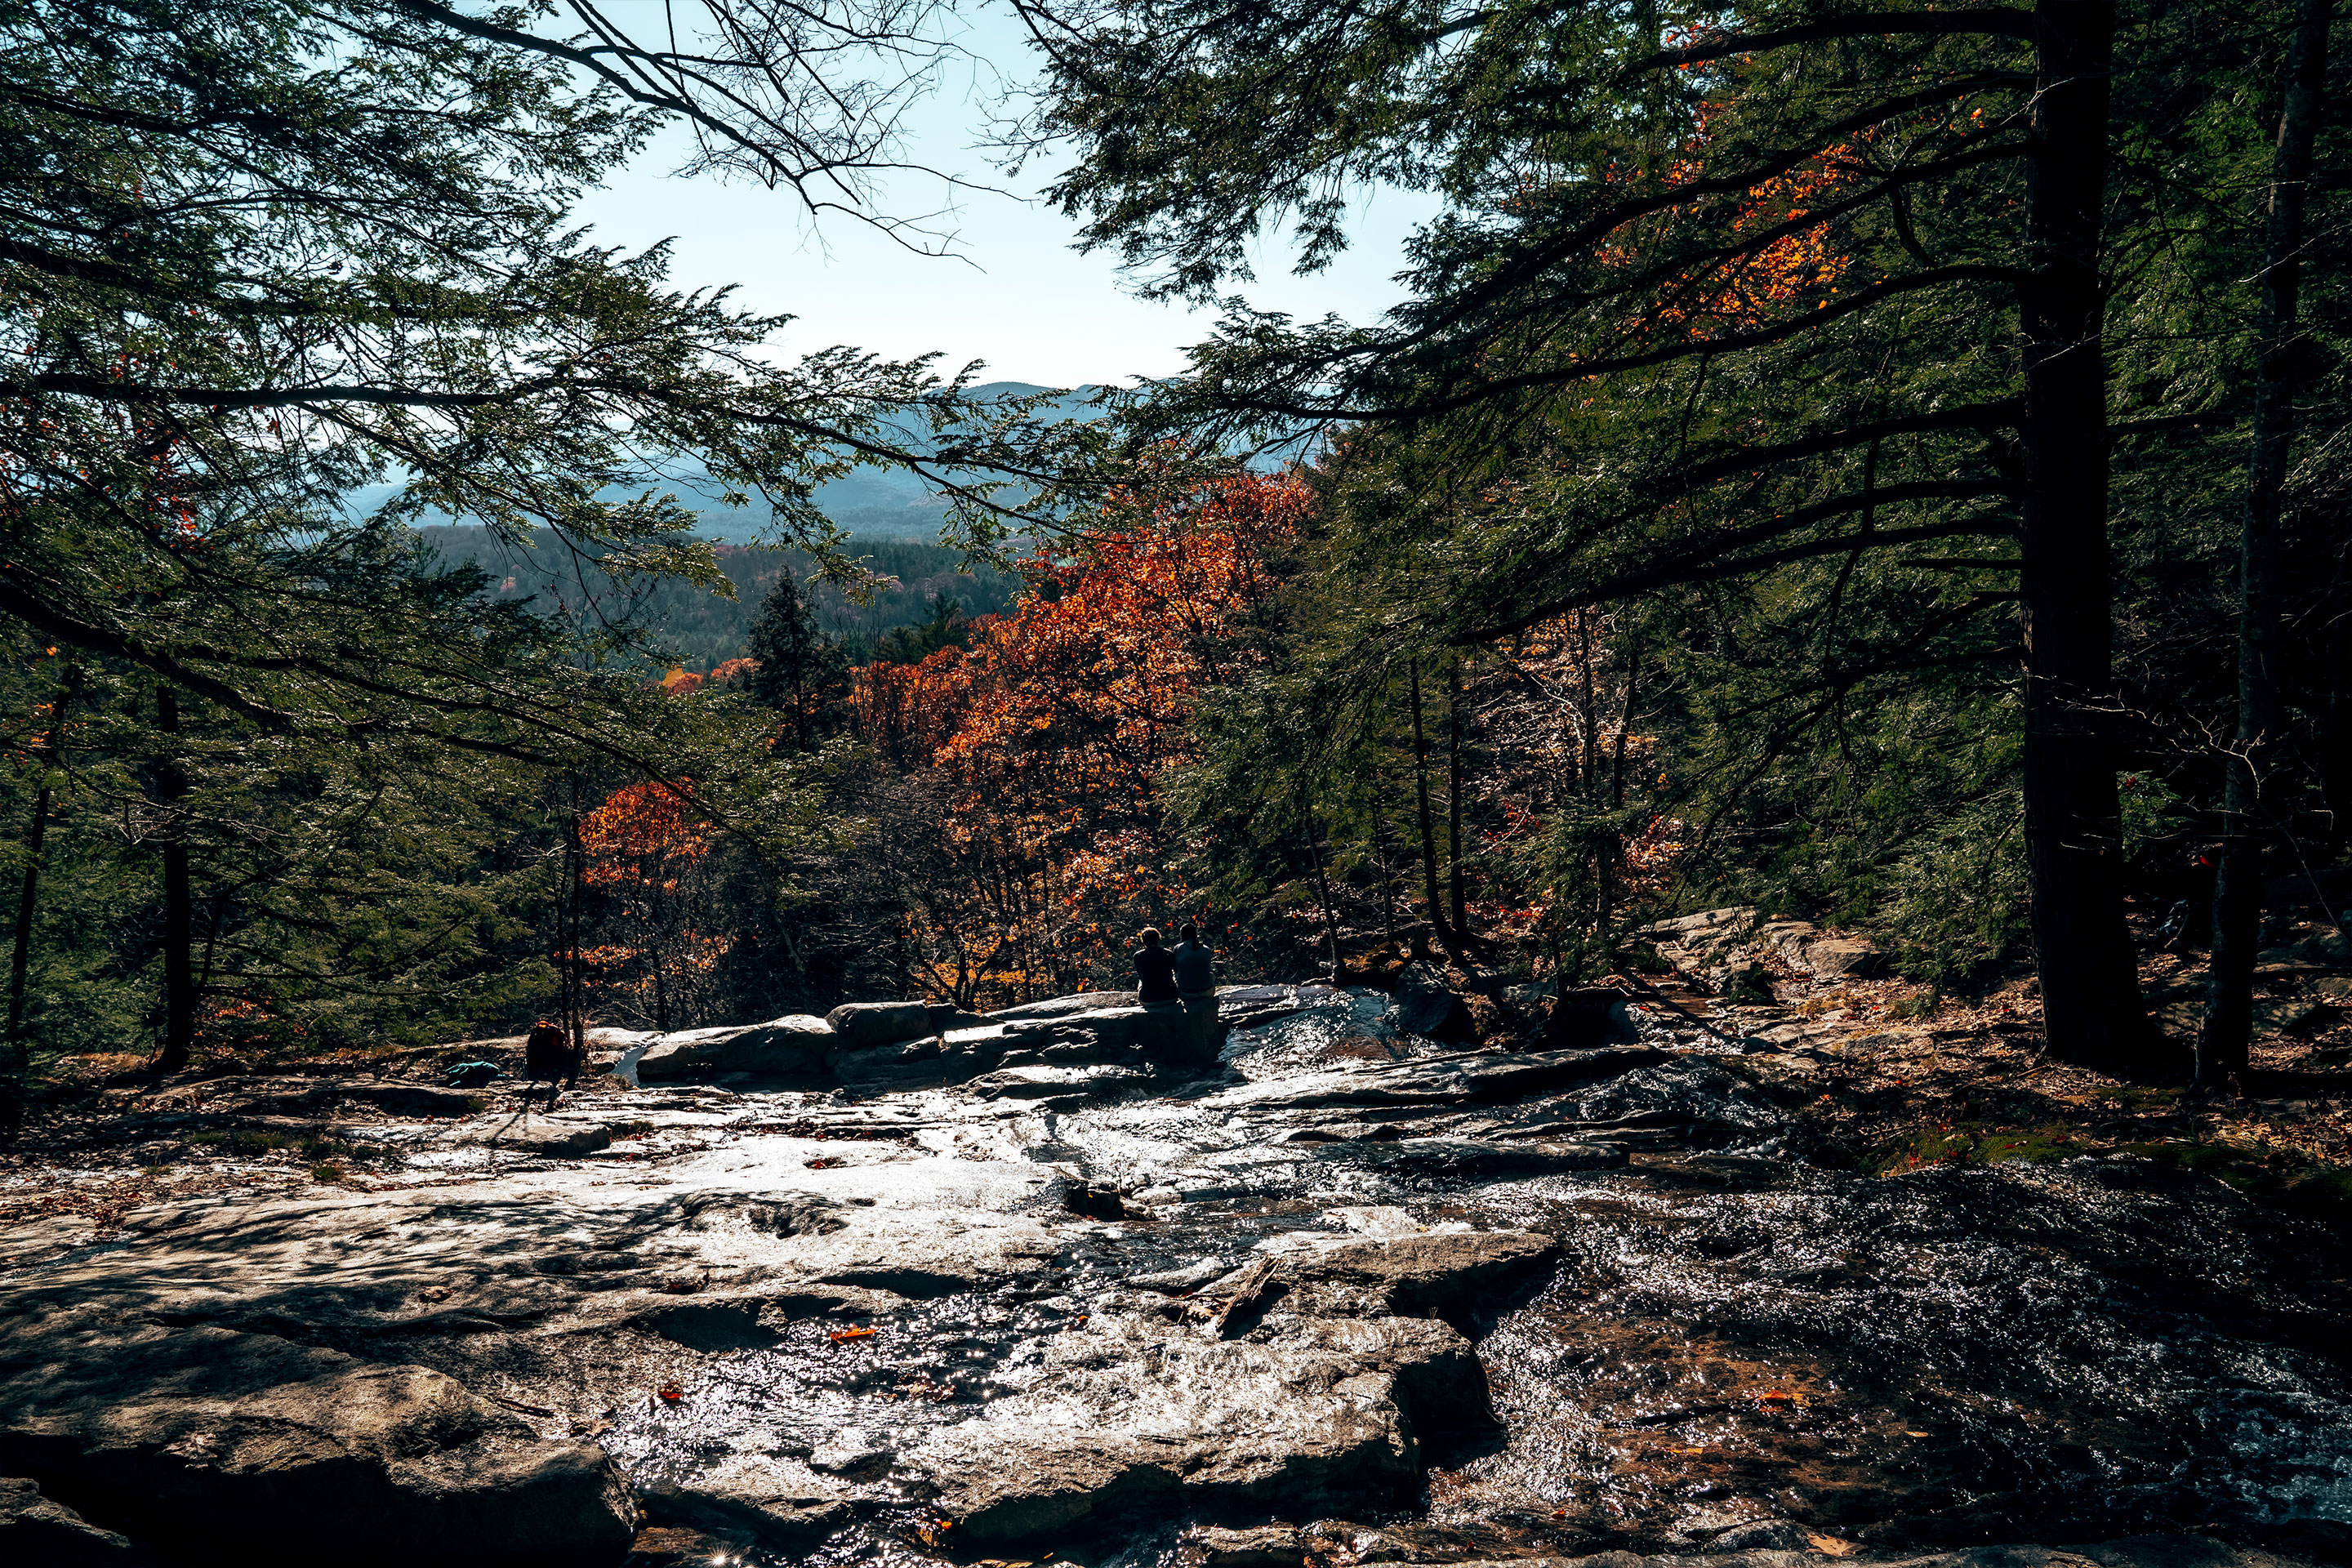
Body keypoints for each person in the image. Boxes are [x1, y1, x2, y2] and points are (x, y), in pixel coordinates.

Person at [1169, 921, 1222, 1062]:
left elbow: (1175, 970)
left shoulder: (1178, 948)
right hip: (1206, 992)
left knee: (1178, 975)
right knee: (1210, 974)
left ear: (1182, 935)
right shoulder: (1205, 949)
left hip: (1187, 994)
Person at [523, 1017, 577, 1108]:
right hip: (553, 1055)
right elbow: (564, 1041)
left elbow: (530, 1047)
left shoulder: (536, 1032)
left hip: (537, 1057)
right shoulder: (554, 1031)